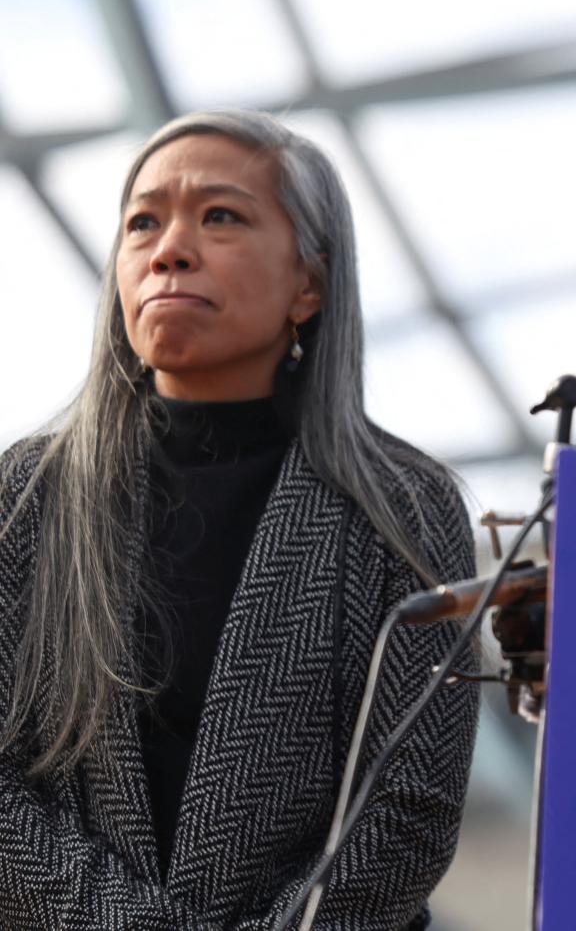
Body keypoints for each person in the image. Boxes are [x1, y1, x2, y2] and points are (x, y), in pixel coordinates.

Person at [0, 111, 478, 928]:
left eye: (220, 215)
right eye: (143, 222)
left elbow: (408, 810)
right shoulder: (27, 495)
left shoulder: (404, 504)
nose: (170, 249)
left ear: (309, 285)